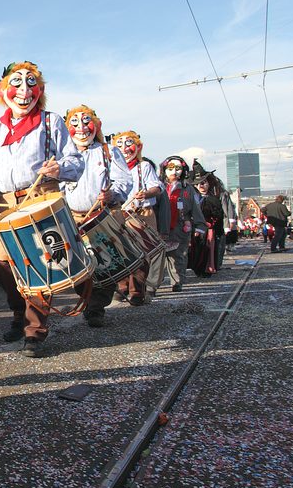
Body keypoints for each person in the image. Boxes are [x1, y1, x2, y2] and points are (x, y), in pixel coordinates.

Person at [0, 61, 83, 358]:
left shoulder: (52, 122)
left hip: (40, 196)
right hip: (4, 204)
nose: (24, 90)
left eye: (31, 83)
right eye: (17, 83)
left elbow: (75, 161)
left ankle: (35, 330)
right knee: (3, 268)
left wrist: (60, 167)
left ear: (41, 90)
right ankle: (19, 315)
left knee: (38, 263)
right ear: (3, 90)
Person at [62, 106, 132, 327]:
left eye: (86, 121)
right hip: (71, 217)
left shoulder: (108, 151)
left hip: (102, 216)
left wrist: (113, 193)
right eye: (75, 123)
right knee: (76, 265)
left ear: (96, 124)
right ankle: (87, 299)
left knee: (106, 263)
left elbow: (125, 180)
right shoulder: (61, 153)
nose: (82, 128)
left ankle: (96, 307)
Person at [110, 130, 163, 301]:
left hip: (141, 213)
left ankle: (137, 291)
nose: (124, 148)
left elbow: (157, 187)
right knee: (119, 251)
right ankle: (122, 286)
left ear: (138, 147)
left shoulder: (144, 167)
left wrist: (146, 194)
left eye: (128, 144)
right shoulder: (112, 167)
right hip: (119, 213)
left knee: (142, 254)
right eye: (119, 145)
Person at [159, 156, 206, 291]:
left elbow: (195, 208)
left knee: (178, 255)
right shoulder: (158, 186)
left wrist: (199, 226)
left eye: (178, 168)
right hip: (159, 226)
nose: (174, 172)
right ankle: (155, 282)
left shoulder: (188, 189)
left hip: (180, 225)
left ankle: (177, 281)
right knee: (158, 256)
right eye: (171, 168)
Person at [188, 160, 223, 276]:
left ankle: (206, 269)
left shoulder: (214, 199)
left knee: (208, 249)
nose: (201, 186)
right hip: (194, 228)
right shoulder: (192, 198)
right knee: (195, 249)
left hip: (209, 229)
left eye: (204, 183)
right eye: (198, 184)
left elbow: (219, 216)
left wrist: (213, 226)